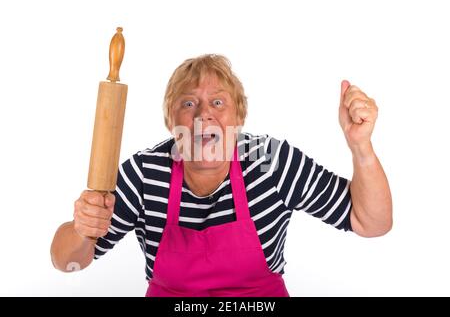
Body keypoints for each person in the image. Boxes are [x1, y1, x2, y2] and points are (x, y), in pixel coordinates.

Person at [50, 54, 392, 296]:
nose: (203, 116)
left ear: (238, 117)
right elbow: (68, 264)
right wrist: (82, 231)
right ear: (170, 122)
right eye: (188, 104)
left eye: (218, 103)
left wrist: (361, 147)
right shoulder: (145, 172)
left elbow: (371, 222)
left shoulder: (269, 161)